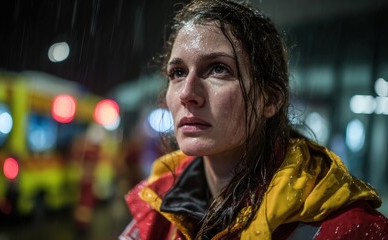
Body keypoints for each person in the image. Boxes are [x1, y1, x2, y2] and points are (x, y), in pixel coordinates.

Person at [119, 0, 388, 239]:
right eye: (177, 72)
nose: (187, 94)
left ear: (270, 100)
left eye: (218, 69)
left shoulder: (351, 229)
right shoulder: (157, 207)